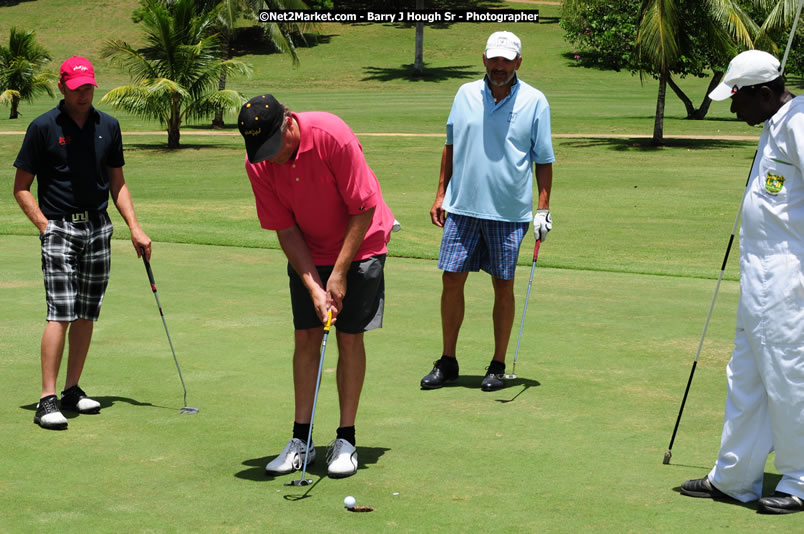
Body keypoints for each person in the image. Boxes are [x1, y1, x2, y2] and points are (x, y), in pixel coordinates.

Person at [237, 94, 395, 479]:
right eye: (263, 151)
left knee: (349, 338)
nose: (271, 158)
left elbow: (363, 207)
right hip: (308, 247)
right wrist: (313, 286)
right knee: (306, 337)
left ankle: (346, 439)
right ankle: (301, 440)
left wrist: (338, 274)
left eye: (274, 147)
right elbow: (285, 229)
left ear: (289, 122)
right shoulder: (259, 163)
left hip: (362, 245)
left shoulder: (331, 135)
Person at [679, 50, 804, 515]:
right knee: (746, 377)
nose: (732, 108)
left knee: (789, 378)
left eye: (737, 98)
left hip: (789, 279)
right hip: (758, 278)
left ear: (765, 93)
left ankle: (800, 479)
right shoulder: (774, 123)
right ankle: (734, 477)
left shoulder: (798, 125)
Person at [13, 56, 152, 430]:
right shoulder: (43, 127)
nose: (83, 94)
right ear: (62, 87)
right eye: (76, 89)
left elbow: (117, 183)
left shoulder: (108, 126)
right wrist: (45, 227)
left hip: (98, 228)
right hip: (59, 228)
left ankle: (71, 390)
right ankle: (47, 399)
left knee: (87, 312)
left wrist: (135, 228)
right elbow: (21, 187)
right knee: (61, 311)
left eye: (88, 87)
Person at [420, 31, 555, 392]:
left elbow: (543, 159)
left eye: (506, 60)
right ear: (484, 58)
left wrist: (542, 208)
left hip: (508, 212)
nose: (499, 66)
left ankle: (497, 365)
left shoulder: (535, 101)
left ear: (518, 62)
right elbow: (450, 145)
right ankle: (448, 361)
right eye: (494, 59)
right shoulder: (464, 94)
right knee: (451, 279)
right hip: (462, 207)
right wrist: (440, 193)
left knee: (503, 285)